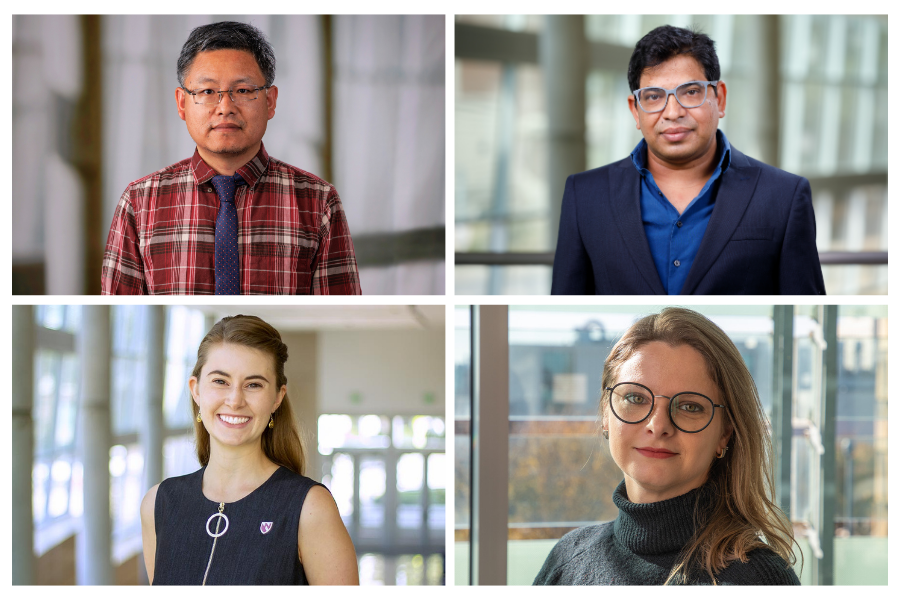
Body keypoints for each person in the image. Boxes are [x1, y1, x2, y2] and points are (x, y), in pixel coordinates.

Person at [534, 307, 801, 585]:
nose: (658, 425)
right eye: (636, 398)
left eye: (689, 406)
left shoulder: (760, 580)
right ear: (605, 413)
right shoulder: (567, 560)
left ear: (725, 434)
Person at [551, 25, 825, 295]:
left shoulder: (784, 196)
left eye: (690, 92)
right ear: (636, 111)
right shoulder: (585, 196)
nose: (673, 112)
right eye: (654, 96)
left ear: (719, 99)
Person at [102, 21, 361, 295]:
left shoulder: (318, 201)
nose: (225, 107)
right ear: (182, 103)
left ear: (270, 101)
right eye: (208, 91)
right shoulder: (140, 202)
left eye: (243, 91)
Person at [140, 315, 359, 585]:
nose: (235, 400)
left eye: (253, 384)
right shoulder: (158, 504)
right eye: (220, 381)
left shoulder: (310, 507)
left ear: (277, 398)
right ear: (196, 390)